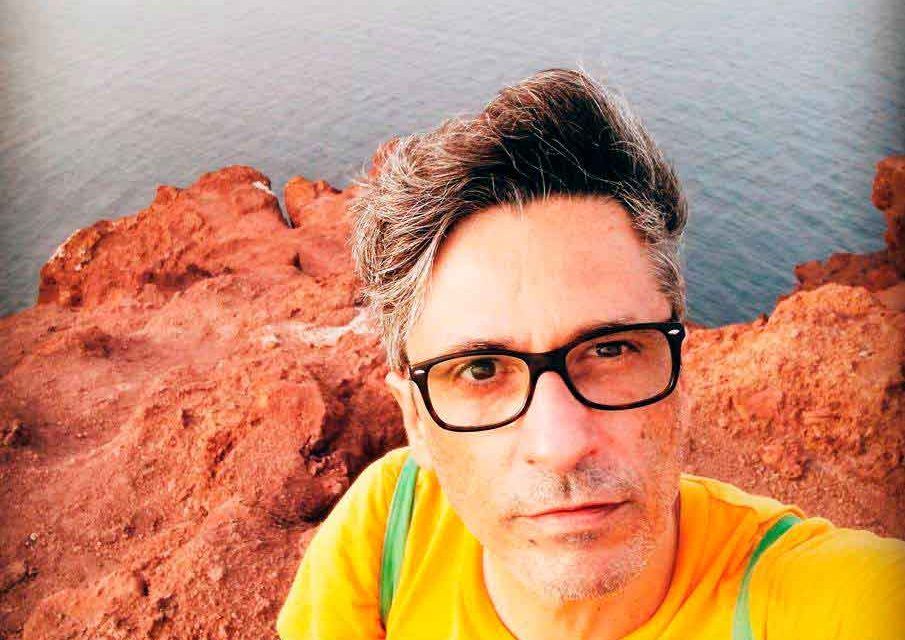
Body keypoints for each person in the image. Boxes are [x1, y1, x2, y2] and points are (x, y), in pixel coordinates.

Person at [275, 68, 905, 639]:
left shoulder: (826, 600)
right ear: (415, 418)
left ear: (681, 373)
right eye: (481, 369)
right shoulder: (389, 527)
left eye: (608, 350)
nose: (562, 444)